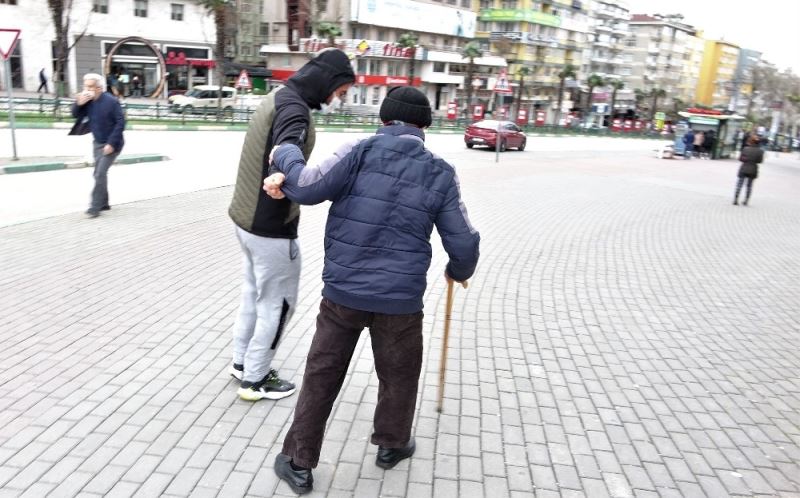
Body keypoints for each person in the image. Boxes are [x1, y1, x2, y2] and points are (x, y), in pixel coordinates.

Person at [264, 86, 481, 495]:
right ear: (424, 127)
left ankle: (298, 462)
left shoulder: (358, 150)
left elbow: (307, 187)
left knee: (322, 374)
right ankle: (392, 445)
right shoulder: (440, 171)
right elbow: (464, 242)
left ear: (384, 119)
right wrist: (458, 270)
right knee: (399, 374)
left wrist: (285, 152)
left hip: (343, 294)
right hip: (401, 301)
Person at [227, 48, 355, 402]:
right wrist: (283, 171)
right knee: (278, 303)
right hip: (270, 227)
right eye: (340, 93)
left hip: (245, 220)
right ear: (328, 83)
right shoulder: (295, 109)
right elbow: (288, 142)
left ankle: (241, 362)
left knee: (254, 295)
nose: (337, 100)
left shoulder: (279, 96)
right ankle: (255, 379)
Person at [71, 73, 125, 218]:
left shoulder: (111, 101)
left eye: (90, 86)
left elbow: (121, 123)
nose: (87, 89)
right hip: (97, 142)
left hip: (113, 143)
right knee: (99, 174)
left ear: (99, 88)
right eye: (85, 86)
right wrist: (78, 104)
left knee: (99, 173)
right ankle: (104, 203)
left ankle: (94, 207)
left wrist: (111, 144)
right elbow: (75, 115)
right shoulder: (87, 101)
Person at [733, 134, 764, 206]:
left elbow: (740, 159)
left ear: (751, 142)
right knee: (749, 186)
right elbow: (760, 161)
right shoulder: (760, 151)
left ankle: (736, 199)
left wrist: (746, 159)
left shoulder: (745, 149)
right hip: (753, 169)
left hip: (744, 168)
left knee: (739, 184)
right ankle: (746, 201)